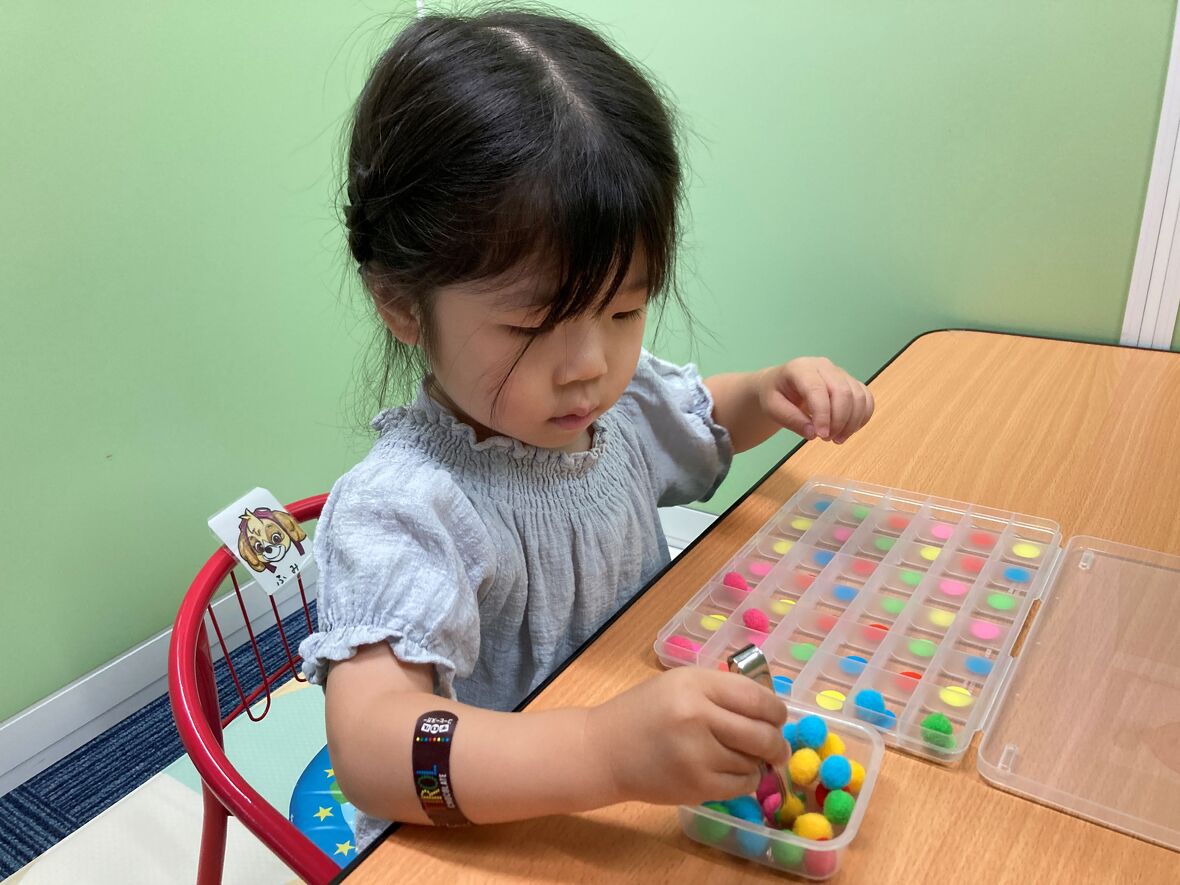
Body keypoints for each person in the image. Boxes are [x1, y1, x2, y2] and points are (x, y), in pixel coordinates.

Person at [299, 8, 873, 851]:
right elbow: (374, 750)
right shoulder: (406, 509)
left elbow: (705, 417)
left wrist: (767, 392)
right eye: (534, 325)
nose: (591, 367)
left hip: (629, 804)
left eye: (625, 309)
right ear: (400, 301)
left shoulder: (618, 406)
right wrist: (604, 750)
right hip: (489, 839)